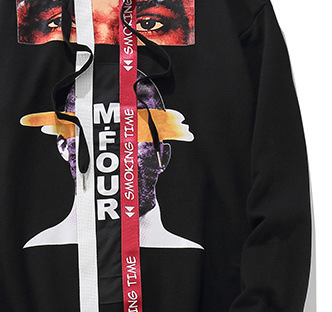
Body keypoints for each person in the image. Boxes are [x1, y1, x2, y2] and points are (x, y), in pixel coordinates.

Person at [21, 75, 202, 249]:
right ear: (64, 146)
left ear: (163, 154)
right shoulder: (38, 248)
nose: (114, 144)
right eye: (93, 127)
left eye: (135, 126)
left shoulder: (190, 253)